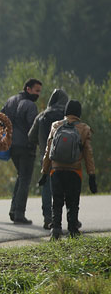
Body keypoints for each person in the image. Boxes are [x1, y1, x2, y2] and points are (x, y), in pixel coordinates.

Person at [41, 100, 97, 240]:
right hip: (74, 170)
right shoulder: (84, 128)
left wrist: (44, 171)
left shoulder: (56, 125)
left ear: (66, 111)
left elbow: (48, 150)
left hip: (56, 170)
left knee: (57, 200)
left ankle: (56, 230)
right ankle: (72, 230)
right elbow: (88, 154)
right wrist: (92, 175)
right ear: (79, 113)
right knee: (73, 201)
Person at [1, 78, 42, 224]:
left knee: (21, 176)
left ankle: (14, 210)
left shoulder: (10, 101)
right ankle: (19, 213)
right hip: (26, 146)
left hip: (12, 146)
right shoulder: (30, 105)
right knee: (25, 179)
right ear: (28, 89)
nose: (38, 94)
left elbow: (1, 119)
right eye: (37, 91)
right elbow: (33, 127)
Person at [28, 88, 69, 230]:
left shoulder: (42, 116)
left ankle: (47, 218)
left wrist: (42, 143)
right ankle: (69, 219)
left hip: (46, 156)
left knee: (46, 187)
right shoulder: (67, 116)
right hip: (65, 158)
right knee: (66, 188)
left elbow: (31, 136)